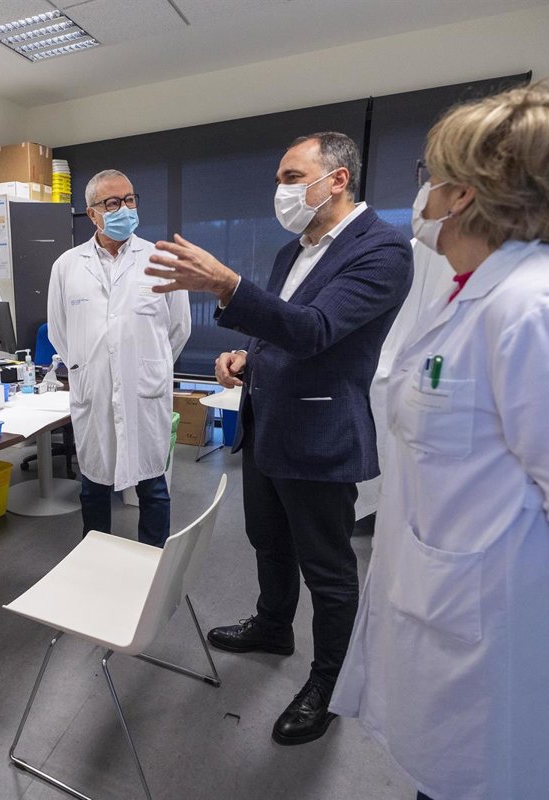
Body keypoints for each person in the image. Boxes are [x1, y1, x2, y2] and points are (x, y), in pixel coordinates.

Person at [327, 86, 549, 800]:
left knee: (473, 781)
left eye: (431, 177)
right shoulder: (467, 291)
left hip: (484, 616)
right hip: (440, 595)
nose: (424, 195)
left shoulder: (541, 306)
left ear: (465, 193)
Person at [146, 133, 413, 744]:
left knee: (328, 568)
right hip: (267, 419)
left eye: (293, 177)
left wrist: (226, 285)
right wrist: (246, 355)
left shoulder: (383, 249)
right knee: (268, 539)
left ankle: (329, 683)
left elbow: (316, 330)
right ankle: (273, 626)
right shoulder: (295, 250)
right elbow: (281, 330)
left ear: (337, 179)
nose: (281, 190)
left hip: (320, 431)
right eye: (280, 179)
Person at [47, 169, 190, 546]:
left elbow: (179, 328)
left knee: (153, 487)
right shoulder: (67, 266)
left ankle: (153, 563)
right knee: (93, 487)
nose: (125, 208)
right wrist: (91, 367)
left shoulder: (162, 259)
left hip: (144, 395)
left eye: (129, 199)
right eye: (112, 203)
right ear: (92, 213)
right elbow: (60, 332)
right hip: (93, 394)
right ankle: (96, 560)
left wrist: (148, 366)